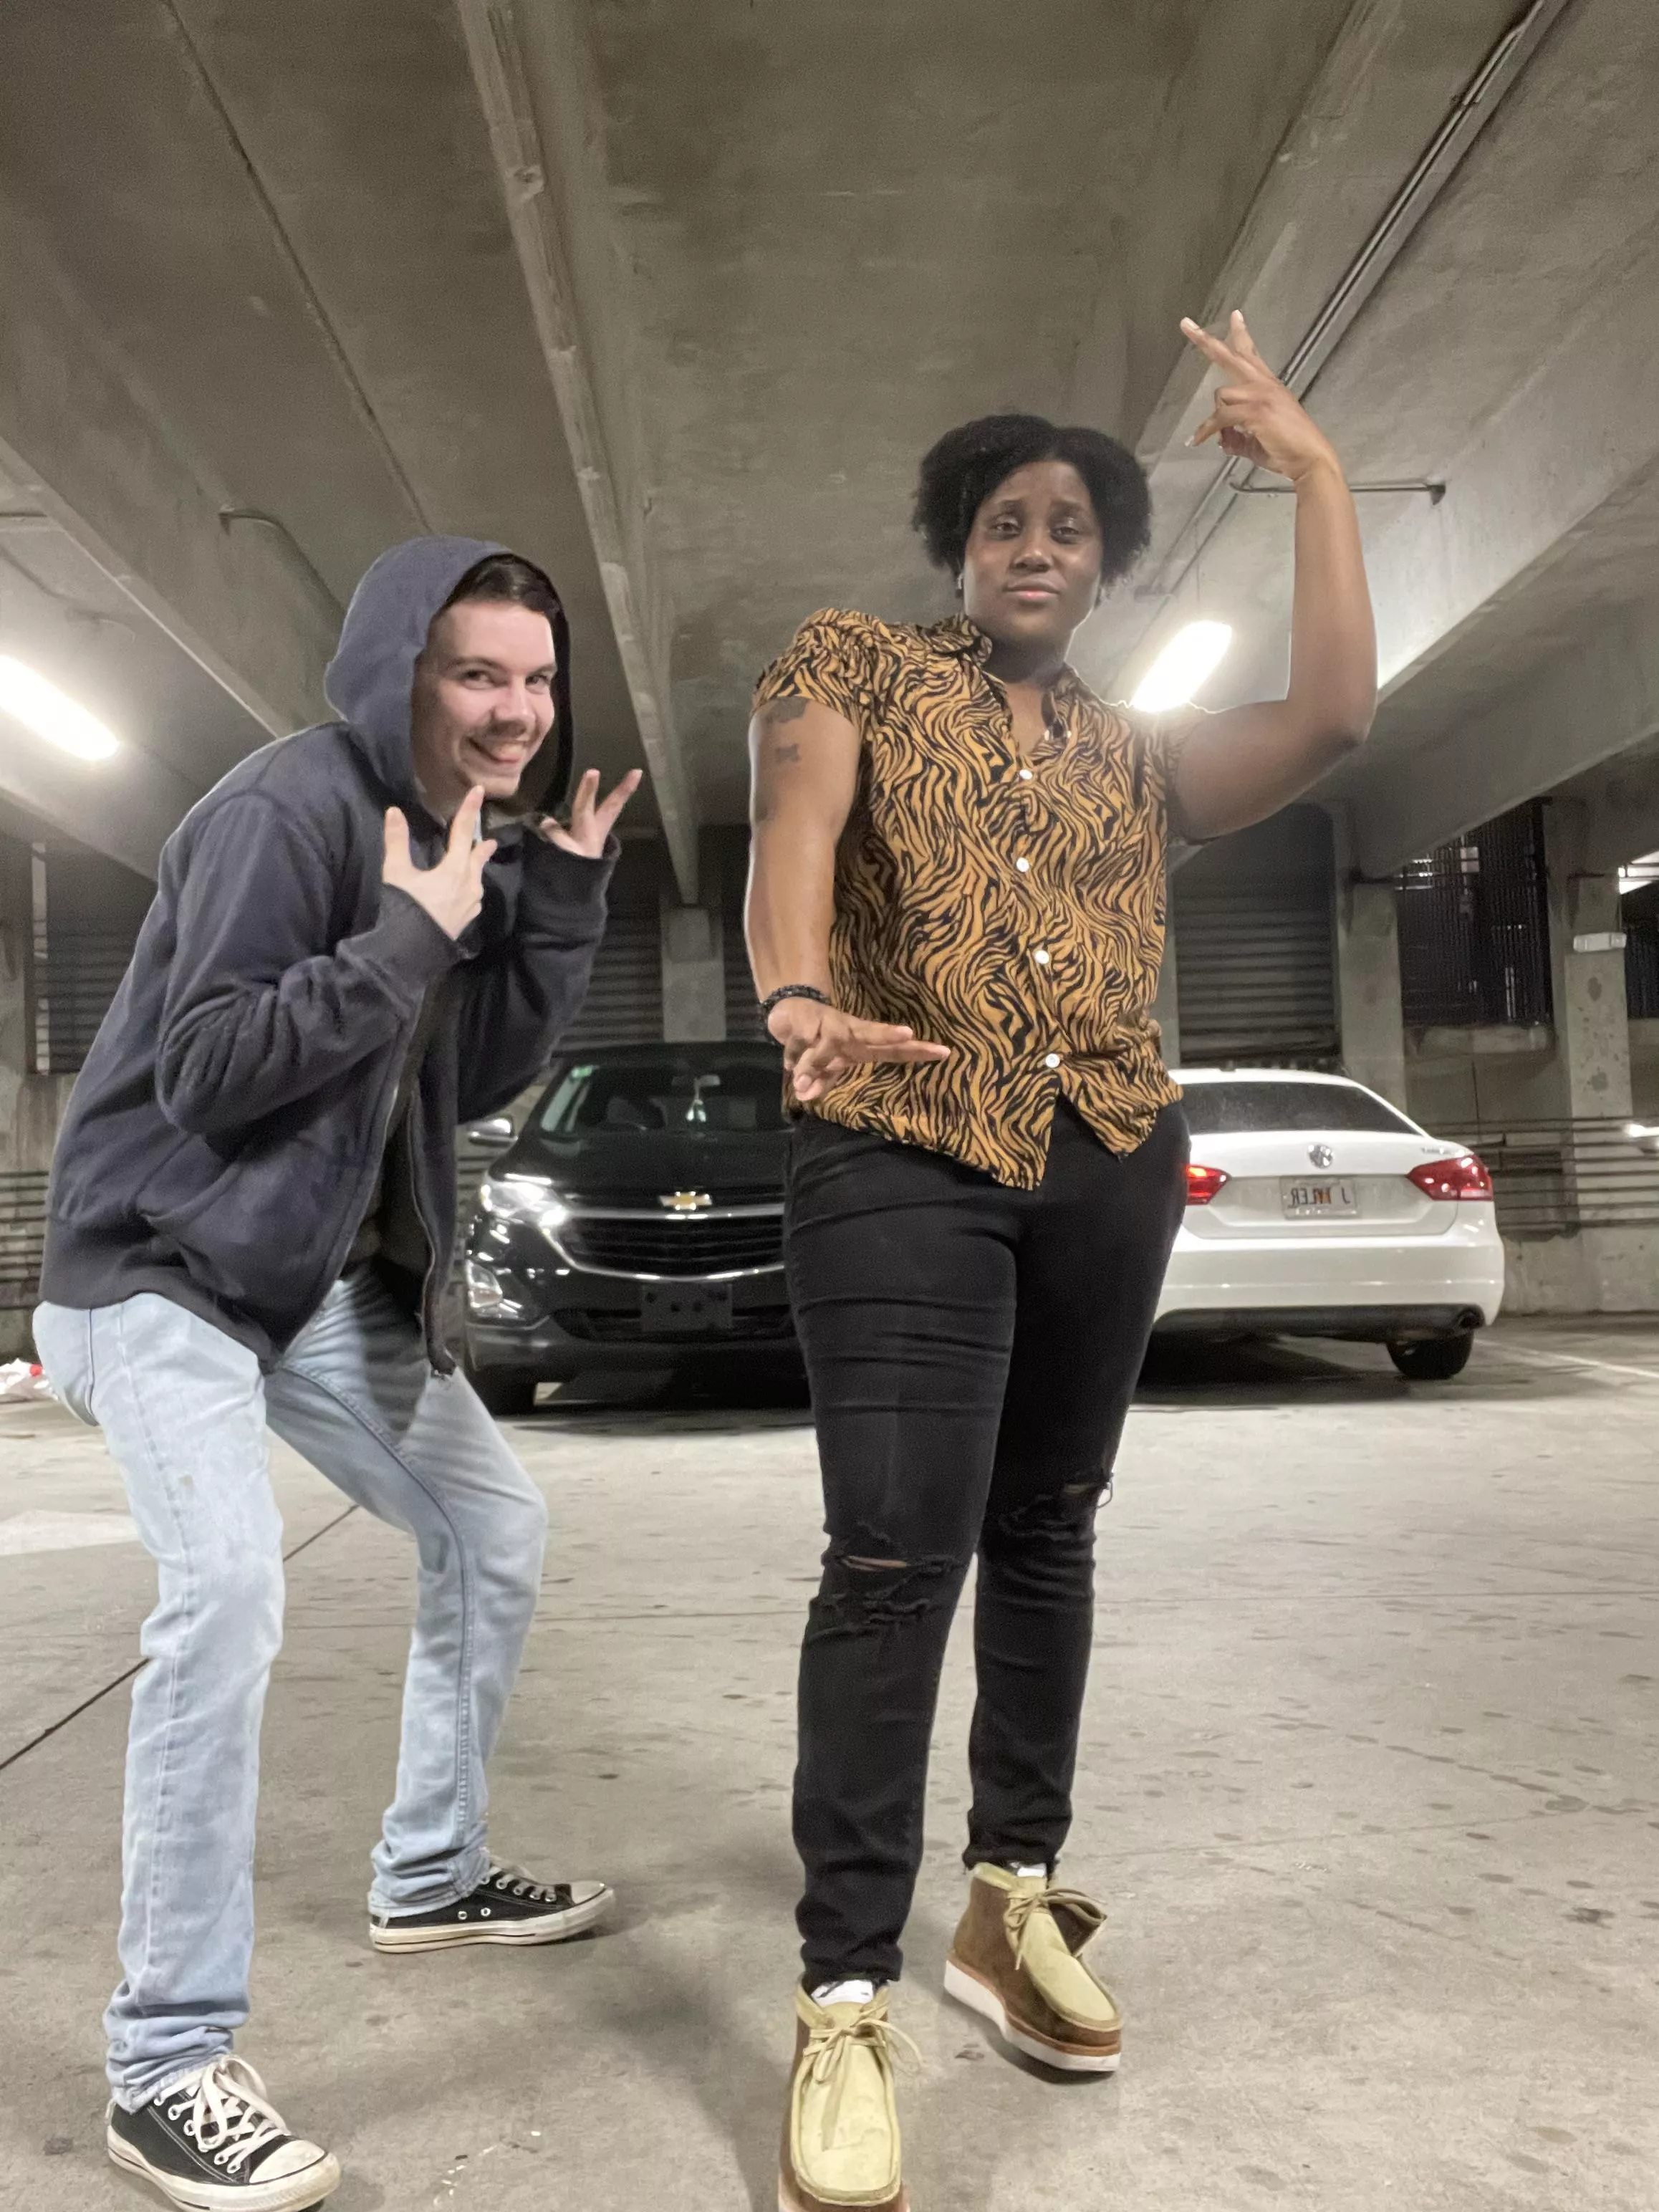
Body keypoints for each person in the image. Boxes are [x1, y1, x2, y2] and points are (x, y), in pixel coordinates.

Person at [746, 312, 1377, 2212]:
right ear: (960, 543)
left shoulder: (1135, 751)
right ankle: (841, 1989)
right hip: (896, 1138)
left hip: (1105, 1146)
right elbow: (797, 820)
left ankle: (1004, 1897)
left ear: (1103, 561)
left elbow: (1337, 717)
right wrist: (793, 989)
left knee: (1048, 1528)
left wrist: (1321, 477)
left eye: (1073, 524)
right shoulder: (848, 663)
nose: (1037, 542)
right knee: (889, 1556)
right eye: (1005, 518)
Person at [34, 536, 640, 2211]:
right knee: (227, 1587)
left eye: (535, 678)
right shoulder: (285, 812)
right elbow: (211, 1066)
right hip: (153, 1267)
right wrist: (403, 932)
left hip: (303, 1281)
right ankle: (164, 2065)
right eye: (478, 674)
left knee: (492, 1528)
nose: (516, 710)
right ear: (400, 671)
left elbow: (476, 1073)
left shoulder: (476, 839)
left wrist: (552, 904)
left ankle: (431, 1874)